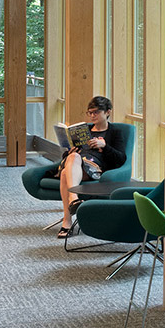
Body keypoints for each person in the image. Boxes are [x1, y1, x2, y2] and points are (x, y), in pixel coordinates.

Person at [56, 96, 126, 239]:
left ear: (107, 112)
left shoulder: (114, 132)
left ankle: (67, 220)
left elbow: (120, 159)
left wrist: (105, 146)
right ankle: (73, 200)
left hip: (95, 169)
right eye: (90, 112)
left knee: (65, 173)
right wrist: (69, 152)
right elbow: (69, 155)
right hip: (76, 165)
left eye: (96, 112)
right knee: (72, 160)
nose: (92, 115)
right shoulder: (85, 130)